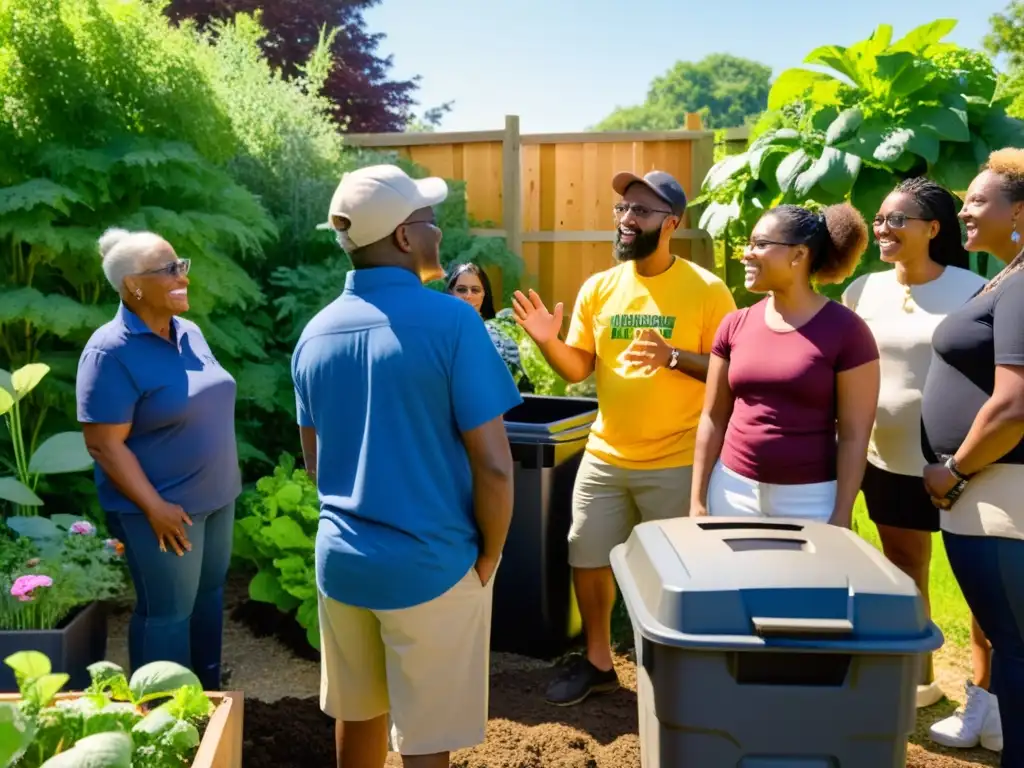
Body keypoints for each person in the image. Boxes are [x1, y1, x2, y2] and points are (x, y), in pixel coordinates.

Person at [293, 164, 521, 768]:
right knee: (425, 738)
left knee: (357, 712)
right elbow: (496, 468)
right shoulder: (452, 323)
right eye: (429, 221)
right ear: (402, 237)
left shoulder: (313, 335)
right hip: (432, 565)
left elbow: (315, 464)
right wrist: (490, 555)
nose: (438, 234)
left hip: (341, 564)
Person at [512, 169, 736, 706]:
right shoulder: (600, 288)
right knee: (586, 555)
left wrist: (674, 357)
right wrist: (547, 341)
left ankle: (675, 668)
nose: (627, 219)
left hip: (678, 456)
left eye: (640, 211)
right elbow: (576, 368)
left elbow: (731, 372)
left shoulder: (706, 290)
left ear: (672, 223)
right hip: (606, 454)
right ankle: (597, 661)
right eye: (622, 210)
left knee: (675, 571)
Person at [842, 177, 987, 710]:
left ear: (932, 228)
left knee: (979, 584)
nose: (883, 228)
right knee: (904, 566)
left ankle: (985, 695)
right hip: (885, 459)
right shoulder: (862, 291)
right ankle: (919, 678)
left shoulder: (972, 291)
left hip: (960, 465)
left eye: (897, 220)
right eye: (880, 219)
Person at [76, 228, 239, 691]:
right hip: (163, 510)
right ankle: (159, 712)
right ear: (133, 285)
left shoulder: (190, 332)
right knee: (168, 611)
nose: (182, 275)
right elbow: (104, 445)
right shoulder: (109, 351)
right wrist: (154, 507)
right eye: (169, 269)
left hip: (217, 499)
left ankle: (206, 697)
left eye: (180, 264)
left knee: (208, 599)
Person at [920, 149, 1024, 762]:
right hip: (983, 495)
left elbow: (1014, 405)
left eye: (979, 199)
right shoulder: (1007, 274)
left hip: (997, 496)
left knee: (1015, 648)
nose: (964, 209)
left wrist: (955, 470)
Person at [690, 203, 879, 526]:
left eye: (761, 244)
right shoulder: (734, 325)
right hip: (733, 490)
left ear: (798, 255)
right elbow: (712, 417)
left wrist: (842, 511)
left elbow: (854, 435)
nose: (748, 254)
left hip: (811, 499)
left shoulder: (847, 331)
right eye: (749, 244)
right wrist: (697, 500)